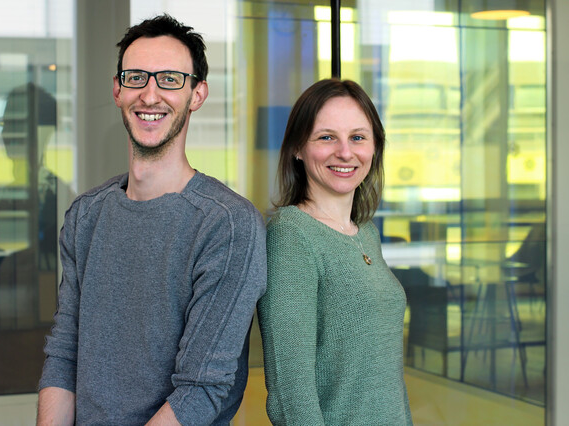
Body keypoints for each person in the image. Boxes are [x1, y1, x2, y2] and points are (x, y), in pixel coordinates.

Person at [37, 14, 267, 425]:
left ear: (197, 94)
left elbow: (202, 389)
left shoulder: (228, 224)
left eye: (171, 79)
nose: (150, 94)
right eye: (136, 77)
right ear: (117, 89)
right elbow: (64, 354)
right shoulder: (86, 215)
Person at [257, 79, 412, 425]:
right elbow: (290, 391)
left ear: (374, 147)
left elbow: (383, 380)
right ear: (298, 148)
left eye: (358, 137)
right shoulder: (291, 235)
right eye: (327, 137)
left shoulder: (366, 233)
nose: (345, 152)